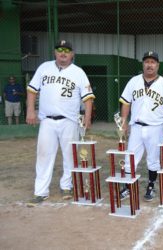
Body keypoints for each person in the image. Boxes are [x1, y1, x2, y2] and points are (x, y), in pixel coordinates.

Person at [25, 40, 95, 206]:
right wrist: (30, 110)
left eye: (67, 50)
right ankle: (41, 191)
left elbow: (88, 97)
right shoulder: (44, 68)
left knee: (70, 155)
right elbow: (32, 90)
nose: (63, 53)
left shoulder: (78, 72)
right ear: (55, 52)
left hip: (69, 121)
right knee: (43, 156)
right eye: (60, 50)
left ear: (72, 54)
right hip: (47, 120)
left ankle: (67, 186)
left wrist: (87, 117)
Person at [119, 51, 163, 201]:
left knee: (153, 159)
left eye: (152, 62)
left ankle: (151, 186)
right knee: (130, 157)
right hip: (136, 127)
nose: (149, 65)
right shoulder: (134, 81)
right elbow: (126, 102)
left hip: (156, 128)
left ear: (157, 65)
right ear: (143, 64)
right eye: (147, 62)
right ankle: (128, 186)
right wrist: (124, 121)